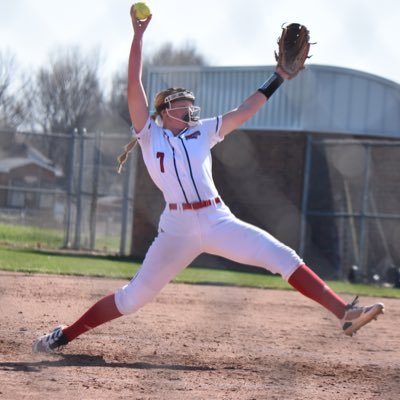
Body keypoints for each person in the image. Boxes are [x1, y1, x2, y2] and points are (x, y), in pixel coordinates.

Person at [32, 10, 384, 353]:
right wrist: (138, 38)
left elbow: (246, 109)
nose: (191, 112)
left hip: (218, 220)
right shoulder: (150, 135)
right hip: (177, 228)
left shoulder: (203, 132)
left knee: (282, 256)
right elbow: (133, 85)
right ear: (165, 110)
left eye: (192, 108)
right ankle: (64, 335)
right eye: (184, 108)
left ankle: (344, 313)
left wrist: (277, 77)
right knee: (132, 299)